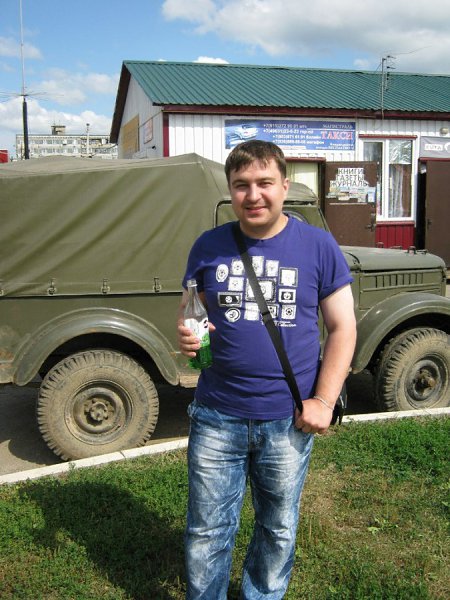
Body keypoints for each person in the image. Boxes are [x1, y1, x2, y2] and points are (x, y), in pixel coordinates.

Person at [177, 140, 357, 599]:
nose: (253, 195)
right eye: (241, 185)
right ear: (230, 189)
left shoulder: (318, 245)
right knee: (206, 530)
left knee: (277, 527)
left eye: (264, 183)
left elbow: (343, 328)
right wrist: (190, 337)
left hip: (287, 418)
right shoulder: (208, 246)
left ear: (284, 186)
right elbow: (193, 312)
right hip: (217, 414)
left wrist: (323, 400)